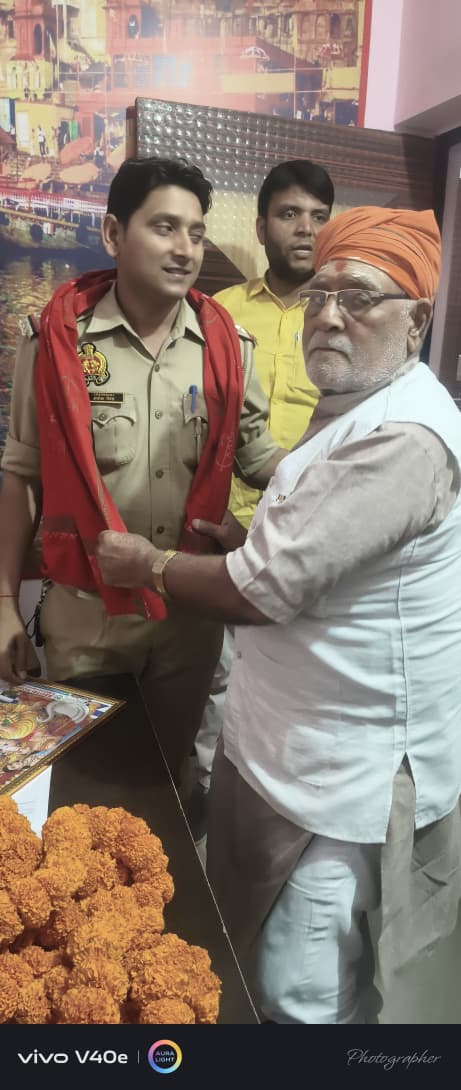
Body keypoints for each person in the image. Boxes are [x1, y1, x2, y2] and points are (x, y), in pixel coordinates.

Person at [95, 205, 461, 1024]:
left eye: (358, 298)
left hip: (343, 769)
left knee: (303, 989)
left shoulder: (404, 437)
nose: (328, 315)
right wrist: (242, 538)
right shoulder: (353, 400)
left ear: (416, 322)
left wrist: (148, 565)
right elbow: (320, 541)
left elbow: (268, 590)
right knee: (251, 946)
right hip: (285, 737)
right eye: (319, 295)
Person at [0, 156, 285, 788]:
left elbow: (259, 458)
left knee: (169, 781)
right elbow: (22, 476)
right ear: (113, 233)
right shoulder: (56, 342)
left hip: (189, 619)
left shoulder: (228, 349)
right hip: (88, 617)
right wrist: (3, 607)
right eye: (164, 227)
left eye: (197, 233)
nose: (185, 249)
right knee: (84, 785)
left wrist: (340, 454)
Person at [190, 158, 334, 839]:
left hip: (304, 537)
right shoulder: (221, 313)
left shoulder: (340, 318)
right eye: (289, 214)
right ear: (261, 227)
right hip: (221, 532)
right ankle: (205, 796)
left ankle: (279, 812)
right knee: (212, 677)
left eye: (318, 216)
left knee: (293, 682)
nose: (305, 229)